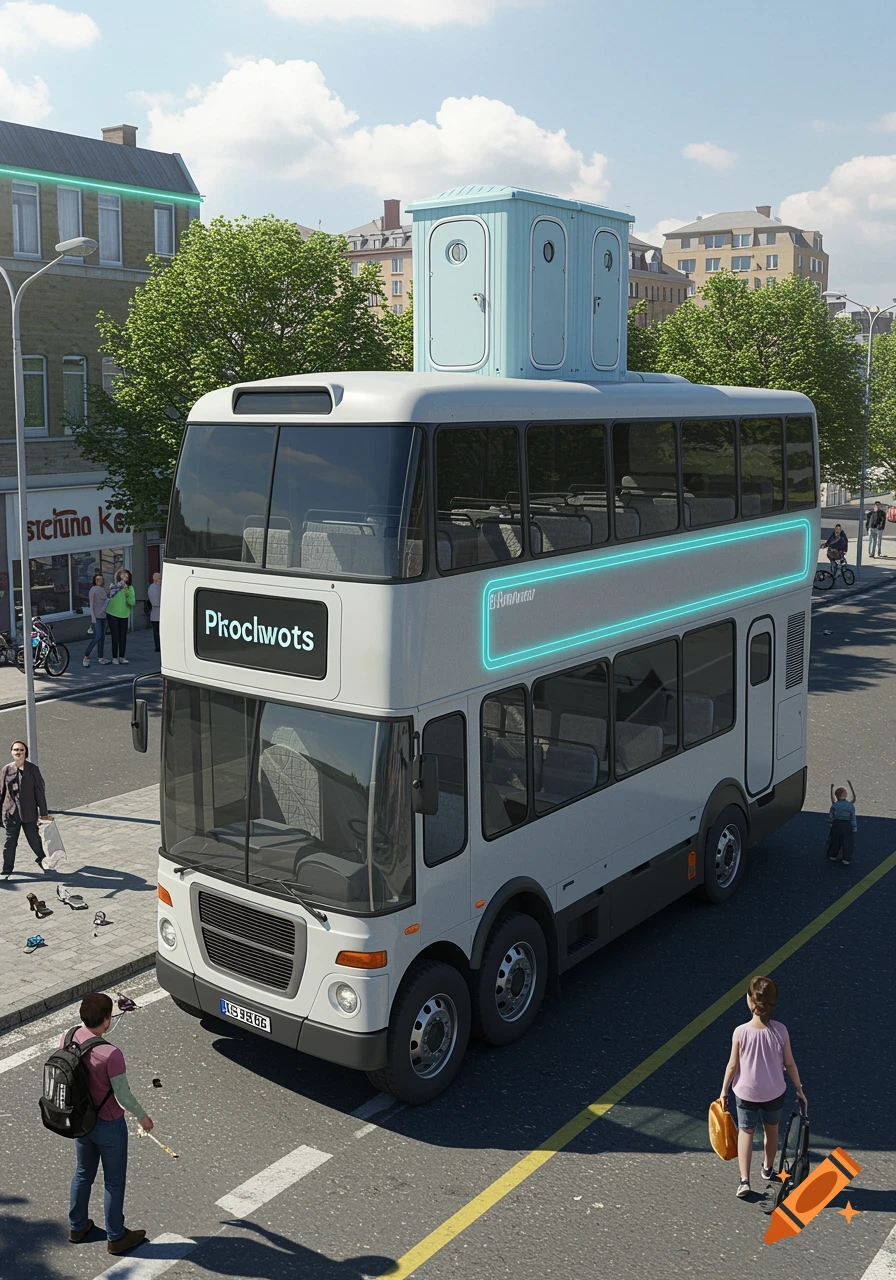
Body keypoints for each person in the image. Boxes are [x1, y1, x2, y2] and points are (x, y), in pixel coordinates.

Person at [65, 991, 151, 1255]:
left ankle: (77, 1226)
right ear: (106, 1019)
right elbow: (123, 1095)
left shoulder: (69, 1036)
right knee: (113, 1181)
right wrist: (143, 1117)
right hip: (109, 1124)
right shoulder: (111, 1053)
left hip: (81, 1119)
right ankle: (116, 1236)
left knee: (83, 1173)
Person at [719, 976, 806, 1199]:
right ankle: (768, 1168)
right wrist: (799, 1089)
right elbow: (789, 1063)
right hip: (774, 1092)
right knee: (772, 1129)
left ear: (750, 1000)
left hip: (745, 1093)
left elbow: (732, 1065)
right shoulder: (781, 1031)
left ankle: (744, 1180)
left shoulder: (740, 1032)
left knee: (746, 1132)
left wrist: (724, 1091)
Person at [1, 740, 51, 879]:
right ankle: (7, 869)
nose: (18, 752)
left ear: (25, 753)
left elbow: (39, 792)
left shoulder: (33, 769)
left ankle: (42, 858)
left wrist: (44, 813)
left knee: (34, 839)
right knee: (10, 843)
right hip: (11, 814)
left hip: (29, 813)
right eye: (15, 750)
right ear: (11, 752)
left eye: (21, 750)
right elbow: (1, 791)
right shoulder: (7, 769)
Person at [106, 569, 135, 666]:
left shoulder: (130, 588)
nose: (125, 579)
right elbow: (109, 595)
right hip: (112, 614)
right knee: (115, 636)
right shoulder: (114, 587)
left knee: (123, 636)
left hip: (124, 614)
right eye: (123, 576)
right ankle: (114, 657)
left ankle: (121, 657)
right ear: (119, 577)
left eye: (127, 577)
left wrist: (126, 592)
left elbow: (132, 602)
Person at [83, 572, 111, 668]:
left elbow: (105, 597)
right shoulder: (93, 590)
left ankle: (101, 657)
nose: (100, 581)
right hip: (97, 618)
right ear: (94, 581)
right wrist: (93, 618)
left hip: (103, 616)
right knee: (97, 636)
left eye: (101, 579)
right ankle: (86, 656)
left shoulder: (102, 589)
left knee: (102, 638)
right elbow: (91, 604)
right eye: (97, 579)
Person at [826, 781, 857, 866]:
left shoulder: (835, 805)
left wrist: (830, 823)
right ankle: (846, 859)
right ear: (845, 795)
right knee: (847, 842)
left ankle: (833, 855)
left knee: (835, 841)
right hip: (847, 824)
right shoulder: (850, 805)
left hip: (836, 824)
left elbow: (831, 815)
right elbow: (853, 817)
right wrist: (854, 827)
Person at [147, 571, 161, 653]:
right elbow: (158, 602)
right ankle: (159, 646)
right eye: (160, 578)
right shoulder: (157, 588)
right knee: (159, 632)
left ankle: (157, 646)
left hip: (154, 614)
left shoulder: (150, 587)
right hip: (159, 613)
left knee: (156, 632)